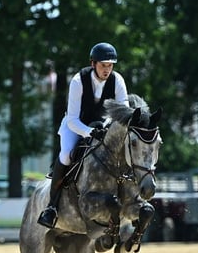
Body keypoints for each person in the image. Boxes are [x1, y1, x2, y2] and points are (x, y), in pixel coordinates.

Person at [37, 42, 130, 229]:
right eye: (103, 65)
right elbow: (72, 118)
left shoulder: (117, 80)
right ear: (93, 63)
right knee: (66, 155)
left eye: (110, 65)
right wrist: (89, 131)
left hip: (103, 127)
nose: (107, 69)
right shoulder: (78, 81)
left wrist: (108, 128)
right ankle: (52, 207)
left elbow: (124, 113)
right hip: (76, 125)